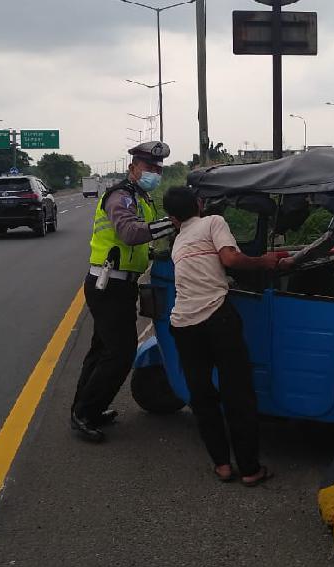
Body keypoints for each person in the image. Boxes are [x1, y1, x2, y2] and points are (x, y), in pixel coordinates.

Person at [162, 186, 290, 486]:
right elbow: (230, 259)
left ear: (172, 218)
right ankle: (249, 469)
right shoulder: (213, 222)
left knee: (202, 395)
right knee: (238, 393)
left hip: (182, 324)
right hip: (217, 317)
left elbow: (205, 268)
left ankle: (221, 464)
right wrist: (264, 261)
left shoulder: (178, 242)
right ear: (199, 204)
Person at [71, 141, 177, 442]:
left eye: (158, 169)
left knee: (101, 350)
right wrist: (170, 224)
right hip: (109, 284)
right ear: (133, 168)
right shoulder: (121, 196)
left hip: (120, 283)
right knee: (120, 353)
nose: (154, 173)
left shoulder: (140, 197)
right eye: (149, 168)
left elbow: (139, 244)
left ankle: (84, 410)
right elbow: (130, 234)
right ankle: (86, 412)